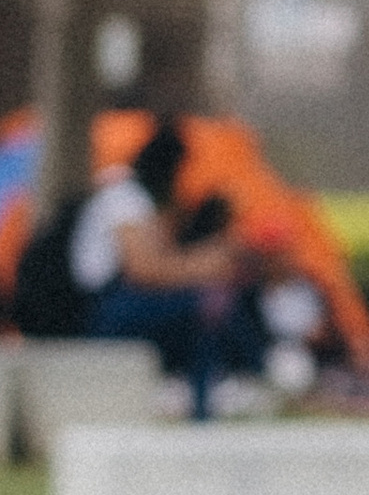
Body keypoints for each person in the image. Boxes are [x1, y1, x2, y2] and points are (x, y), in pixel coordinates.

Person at [66, 121, 268, 419]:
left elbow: (167, 261)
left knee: (207, 313)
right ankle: (259, 369)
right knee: (207, 303)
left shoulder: (143, 203)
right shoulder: (123, 197)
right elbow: (146, 270)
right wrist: (206, 265)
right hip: (101, 310)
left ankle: (205, 407)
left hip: (125, 303)